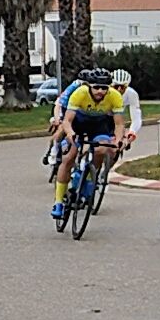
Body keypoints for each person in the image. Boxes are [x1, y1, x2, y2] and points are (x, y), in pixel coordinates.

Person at [51, 67, 128, 221]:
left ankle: (88, 178)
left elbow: (119, 124)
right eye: (96, 87)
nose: (100, 91)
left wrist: (119, 139)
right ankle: (58, 202)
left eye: (104, 88)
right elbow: (67, 120)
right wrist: (70, 133)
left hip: (99, 123)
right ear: (89, 86)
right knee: (69, 158)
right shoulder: (80, 93)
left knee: (102, 148)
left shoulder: (114, 96)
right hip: (79, 121)